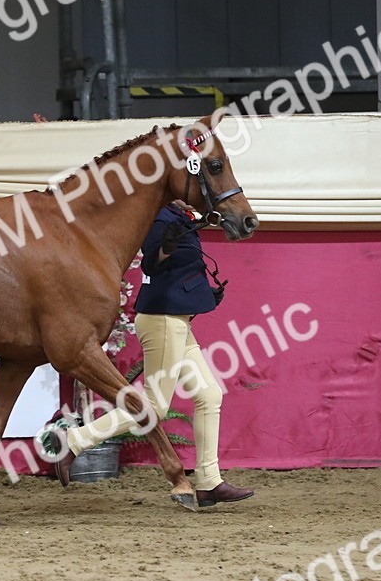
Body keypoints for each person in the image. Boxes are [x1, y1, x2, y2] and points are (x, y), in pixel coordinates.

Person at [41, 200, 254, 509]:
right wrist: (166, 247)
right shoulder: (160, 216)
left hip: (177, 320)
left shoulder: (180, 216)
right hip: (163, 321)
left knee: (209, 395)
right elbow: (153, 265)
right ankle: (73, 441)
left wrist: (204, 293)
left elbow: (180, 269)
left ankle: (209, 482)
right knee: (155, 406)